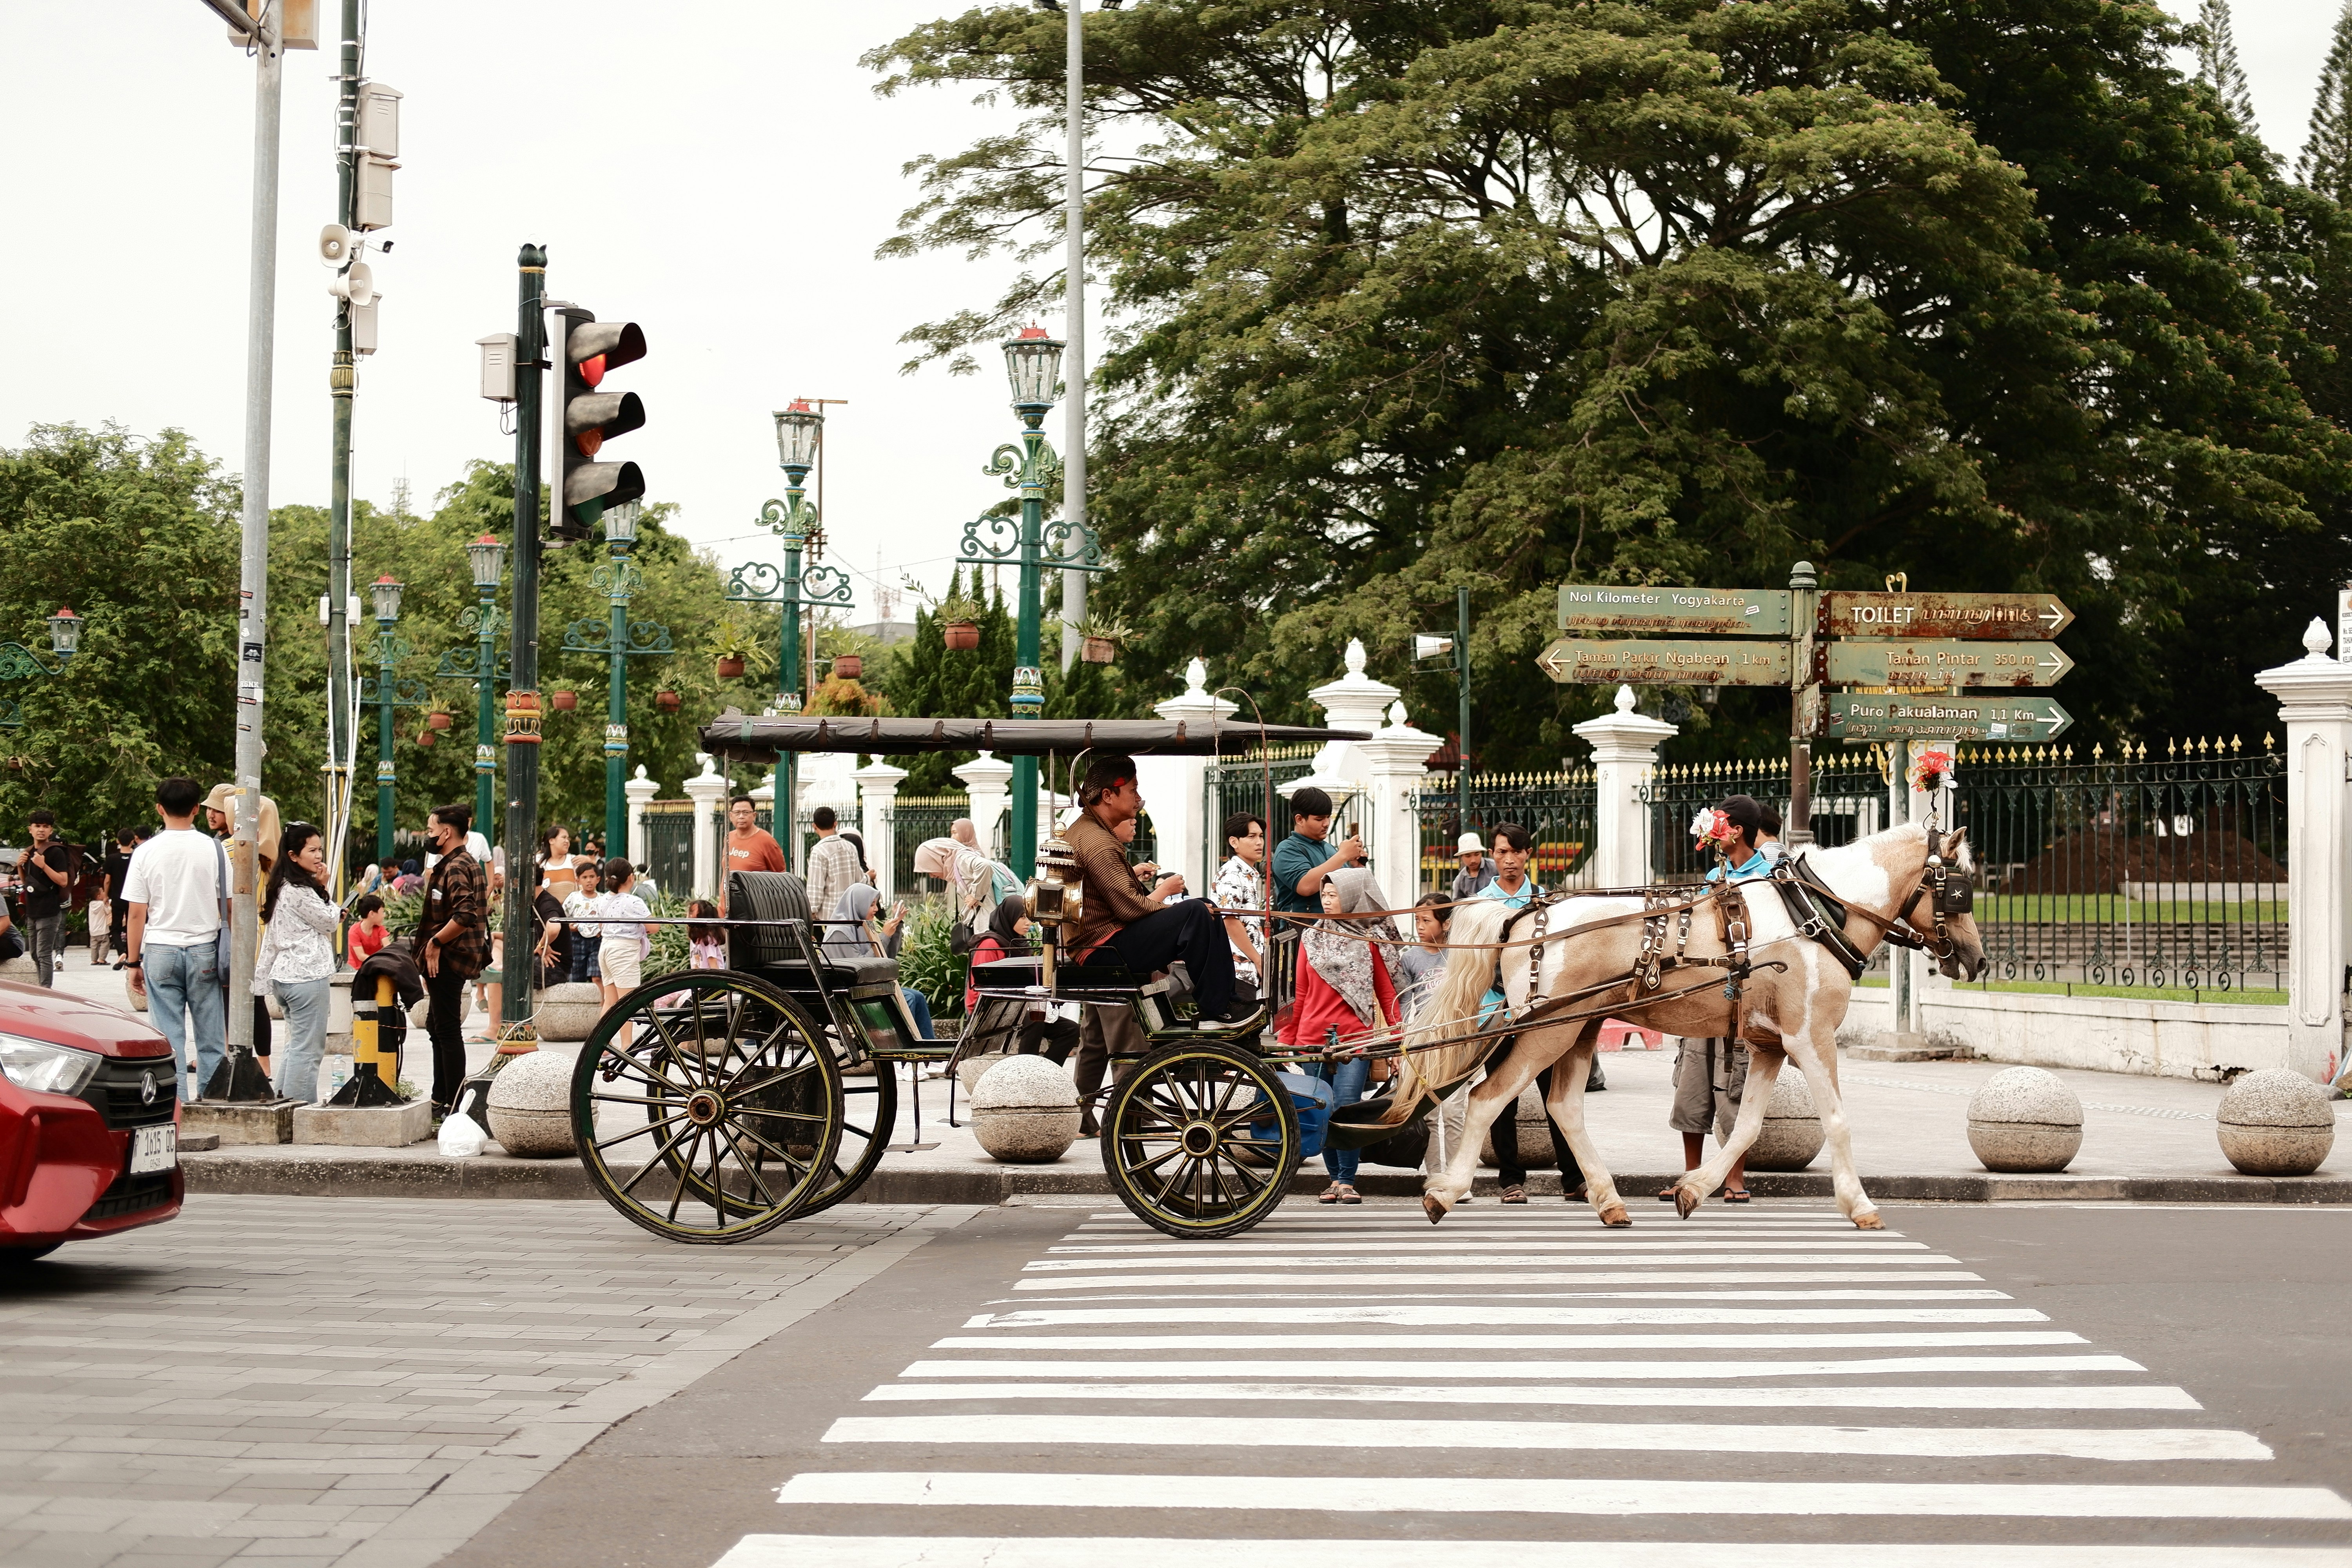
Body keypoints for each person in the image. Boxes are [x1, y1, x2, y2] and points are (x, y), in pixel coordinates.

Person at [1064, 754, 1242, 1027]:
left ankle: (1225, 1001)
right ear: (1108, 795)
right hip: (1102, 948)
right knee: (1196, 910)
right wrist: (1176, 910)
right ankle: (1218, 1007)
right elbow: (1129, 908)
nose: (1138, 798)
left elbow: (1104, 889)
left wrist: (1133, 876)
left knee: (1202, 906)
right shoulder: (1098, 841)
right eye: (1133, 790)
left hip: (1100, 942)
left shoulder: (1087, 830)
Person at [1667, 793, 1776, 1204]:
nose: (1715, 832)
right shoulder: (1715, 875)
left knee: (1735, 1090)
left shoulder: (1767, 877)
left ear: (1739, 832)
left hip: (1746, 1001)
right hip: (1704, 996)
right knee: (1692, 1085)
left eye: (1722, 824)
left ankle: (1733, 1177)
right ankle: (1692, 1174)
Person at [1475, 820, 1584, 1205]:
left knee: (1556, 1089)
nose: (1508, 859)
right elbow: (1475, 961)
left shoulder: (1546, 900)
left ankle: (1573, 1177)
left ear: (1527, 855)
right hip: (1498, 1009)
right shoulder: (1482, 902)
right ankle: (1510, 1179)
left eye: (1514, 851)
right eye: (1501, 852)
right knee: (1504, 1094)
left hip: (1543, 1010)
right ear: (1494, 855)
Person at [1281, 866, 1398, 1204]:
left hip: (1356, 1037)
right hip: (1312, 1039)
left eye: (1334, 895)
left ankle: (1347, 1180)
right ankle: (1333, 1179)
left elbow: (1386, 994)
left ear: (1349, 898)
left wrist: (1396, 1037)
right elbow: (1299, 992)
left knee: (1347, 1105)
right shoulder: (1310, 938)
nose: (1327, 900)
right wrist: (1289, 1039)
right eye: (1325, 894)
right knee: (1322, 1108)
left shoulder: (1367, 940)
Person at [122, 777, 227, 1100]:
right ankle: (211, 1101)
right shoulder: (215, 849)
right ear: (197, 809)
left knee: (168, 1036)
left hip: (160, 950)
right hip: (204, 950)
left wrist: (133, 962)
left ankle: (176, 1105)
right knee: (211, 1037)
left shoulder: (145, 852)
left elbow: (137, 913)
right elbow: (232, 907)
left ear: (159, 809)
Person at [252, 824, 339, 1104]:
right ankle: (299, 1110)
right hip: (306, 976)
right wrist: (328, 894)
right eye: (312, 850)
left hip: (287, 978)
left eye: (320, 849)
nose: (318, 856)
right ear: (293, 855)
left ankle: (284, 1102)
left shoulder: (283, 886)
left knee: (295, 1046)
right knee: (309, 1050)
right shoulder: (299, 890)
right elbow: (329, 920)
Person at [414, 804, 489, 1116]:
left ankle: (454, 1104)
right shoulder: (462, 863)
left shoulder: (457, 866)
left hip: (450, 958)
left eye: (432, 830)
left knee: (446, 1029)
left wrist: (434, 943)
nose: (430, 836)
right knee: (438, 1025)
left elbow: (465, 914)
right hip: (452, 957)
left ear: (446, 832)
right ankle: (440, 1098)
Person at [824, 882, 937, 1038]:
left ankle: (929, 1055)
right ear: (858, 904)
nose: (876, 910)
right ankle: (900, 1050)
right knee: (908, 997)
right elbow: (860, 968)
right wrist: (884, 936)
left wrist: (896, 927)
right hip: (850, 993)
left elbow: (886, 958)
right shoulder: (840, 931)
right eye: (872, 904)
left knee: (917, 996)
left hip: (868, 987)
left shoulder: (860, 926)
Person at [1270, 786, 1364, 916]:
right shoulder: (1287, 849)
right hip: (1304, 931)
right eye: (1320, 819)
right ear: (1299, 819)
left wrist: (1356, 868)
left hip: (1336, 929)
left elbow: (1348, 892)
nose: (1326, 824)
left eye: (1328, 817)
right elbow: (1305, 887)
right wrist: (1343, 856)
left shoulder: (1328, 848)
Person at [1210, 812, 1268, 1007]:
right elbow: (1230, 922)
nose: (1259, 842)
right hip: (1237, 969)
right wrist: (1258, 960)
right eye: (1251, 837)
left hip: (1247, 969)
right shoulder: (1232, 874)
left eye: (1261, 836)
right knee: (1240, 1028)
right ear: (1234, 842)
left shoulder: (1248, 874)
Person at [16, 809, 72, 987]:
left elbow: (63, 881)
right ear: (30, 829)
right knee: (34, 953)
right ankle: (42, 987)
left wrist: (43, 865)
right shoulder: (29, 851)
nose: (41, 830)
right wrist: (20, 867)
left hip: (49, 911)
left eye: (46, 827)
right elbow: (28, 883)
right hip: (32, 911)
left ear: (51, 830)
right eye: (37, 826)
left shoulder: (56, 852)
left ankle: (45, 991)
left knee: (44, 954)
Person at [592, 856, 653, 1007]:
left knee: (610, 1003)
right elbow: (654, 927)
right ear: (631, 877)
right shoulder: (634, 902)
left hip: (606, 948)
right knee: (627, 1005)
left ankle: (602, 1032)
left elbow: (601, 926)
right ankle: (626, 1033)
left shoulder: (603, 899)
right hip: (624, 952)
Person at [720, 795, 785, 911]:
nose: (741, 817)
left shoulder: (766, 841)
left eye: (746, 813)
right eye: (737, 813)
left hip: (753, 911)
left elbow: (780, 876)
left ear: (754, 816)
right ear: (731, 816)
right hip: (726, 908)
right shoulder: (729, 838)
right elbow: (725, 872)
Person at [803, 804, 861, 932]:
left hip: (829, 920)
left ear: (814, 826)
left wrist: (811, 915)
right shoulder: (850, 848)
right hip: (851, 916)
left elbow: (815, 889)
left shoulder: (819, 852)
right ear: (835, 824)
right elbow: (860, 880)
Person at [100, 827, 138, 966]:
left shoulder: (112, 859)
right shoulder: (136, 857)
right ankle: (130, 954)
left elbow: (108, 880)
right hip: (134, 898)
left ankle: (121, 951)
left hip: (117, 897)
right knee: (132, 926)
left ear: (118, 841)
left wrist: (105, 895)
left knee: (115, 927)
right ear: (133, 841)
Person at [562, 859, 603, 984]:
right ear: (578, 880)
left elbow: (608, 919)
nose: (589, 881)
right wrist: (569, 927)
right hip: (576, 940)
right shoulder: (573, 897)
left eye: (592, 877)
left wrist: (603, 930)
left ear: (598, 879)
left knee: (597, 976)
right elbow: (564, 916)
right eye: (585, 877)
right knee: (576, 976)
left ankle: (602, 1002)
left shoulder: (603, 899)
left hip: (597, 940)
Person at [538, 824, 584, 904]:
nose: (567, 841)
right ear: (552, 841)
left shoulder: (575, 861)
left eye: (568, 839)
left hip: (569, 915)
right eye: (564, 837)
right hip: (546, 913)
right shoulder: (538, 861)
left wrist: (591, 861)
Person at [347, 894, 390, 967]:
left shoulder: (380, 928)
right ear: (372, 914)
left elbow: (388, 947)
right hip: (357, 970)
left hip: (376, 966)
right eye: (382, 912)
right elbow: (361, 956)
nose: (384, 916)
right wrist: (380, 962)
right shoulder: (354, 931)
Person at [1452, 831, 1495, 901]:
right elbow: (1457, 904)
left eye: (1477, 854)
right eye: (1468, 856)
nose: (1473, 860)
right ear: (1461, 857)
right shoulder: (1460, 880)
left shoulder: (1495, 868)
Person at [688, 899, 727, 969]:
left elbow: (713, 964)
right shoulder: (695, 940)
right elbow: (696, 964)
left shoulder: (708, 941)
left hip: (711, 977)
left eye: (692, 913)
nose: (689, 916)